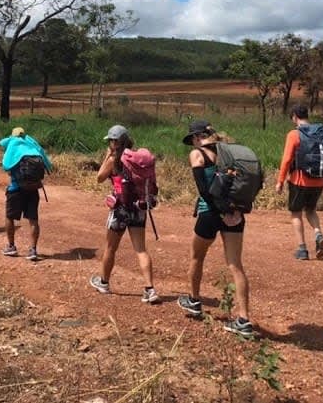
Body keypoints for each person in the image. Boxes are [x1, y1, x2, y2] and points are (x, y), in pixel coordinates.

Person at [177, 120, 255, 338]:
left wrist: (218, 210)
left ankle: (193, 300)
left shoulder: (197, 154)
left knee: (197, 256)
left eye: (192, 139)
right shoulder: (229, 151)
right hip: (235, 213)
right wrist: (230, 212)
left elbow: (203, 190)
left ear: (196, 137)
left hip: (210, 213)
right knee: (236, 265)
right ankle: (244, 319)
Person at [89, 124, 159, 304]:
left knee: (111, 248)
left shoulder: (115, 160)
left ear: (114, 142)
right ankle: (150, 289)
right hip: (138, 208)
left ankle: (104, 283)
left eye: (111, 141)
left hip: (120, 208)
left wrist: (107, 156)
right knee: (141, 249)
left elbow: (99, 178)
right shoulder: (136, 158)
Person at [276, 104, 323, 260]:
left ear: (295, 116)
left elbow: (287, 159)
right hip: (319, 181)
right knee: (311, 210)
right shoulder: (321, 133)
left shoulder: (294, 134)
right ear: (307, 115)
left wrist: (280, 181)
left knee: (296, 213)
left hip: (299, 180)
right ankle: (318, 234)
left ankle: (302, 249)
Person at [0, 126, 53, 261]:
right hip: (33, 189)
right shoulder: (34, 148)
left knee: (10, 217)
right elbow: (48, 166)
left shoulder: (12, 147)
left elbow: (6, 167)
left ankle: (11, 246)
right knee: (33, 220)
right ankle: (33, 250)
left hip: (15, 189)